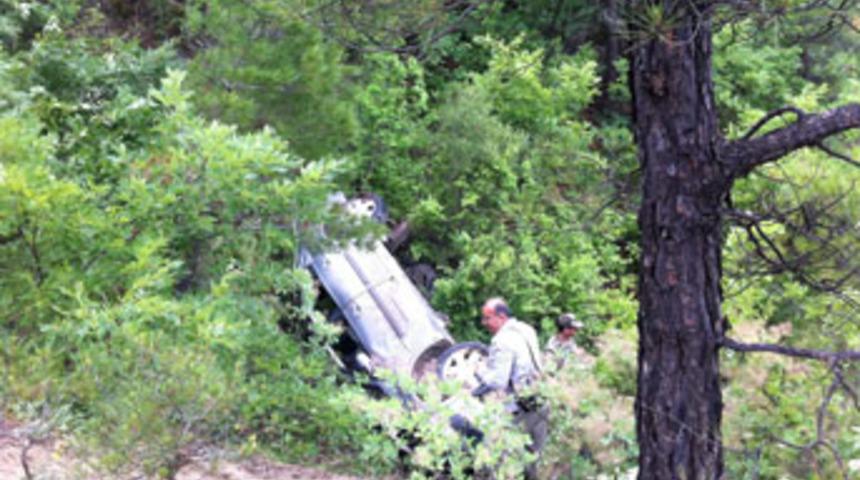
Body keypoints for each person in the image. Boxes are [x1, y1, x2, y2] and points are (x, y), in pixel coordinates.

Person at [471, 297, 547, 480]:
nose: (484, 323)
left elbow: (498, 381)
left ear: (501, 316)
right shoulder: (527, 329)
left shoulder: (502, 340)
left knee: (492, 459)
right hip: (541, 400)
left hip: (519, 409)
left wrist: (479, 370)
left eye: (487, 318)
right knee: (533, 459)